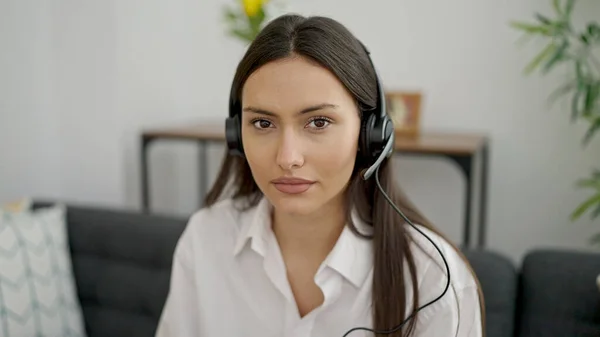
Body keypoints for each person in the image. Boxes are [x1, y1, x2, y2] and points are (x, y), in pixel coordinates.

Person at [155, 13, 485, 337]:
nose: (288, 159)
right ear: (236, 135)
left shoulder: (434, 282)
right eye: (263, 123)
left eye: (318, 122)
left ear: (370, 135)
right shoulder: (205, 239)